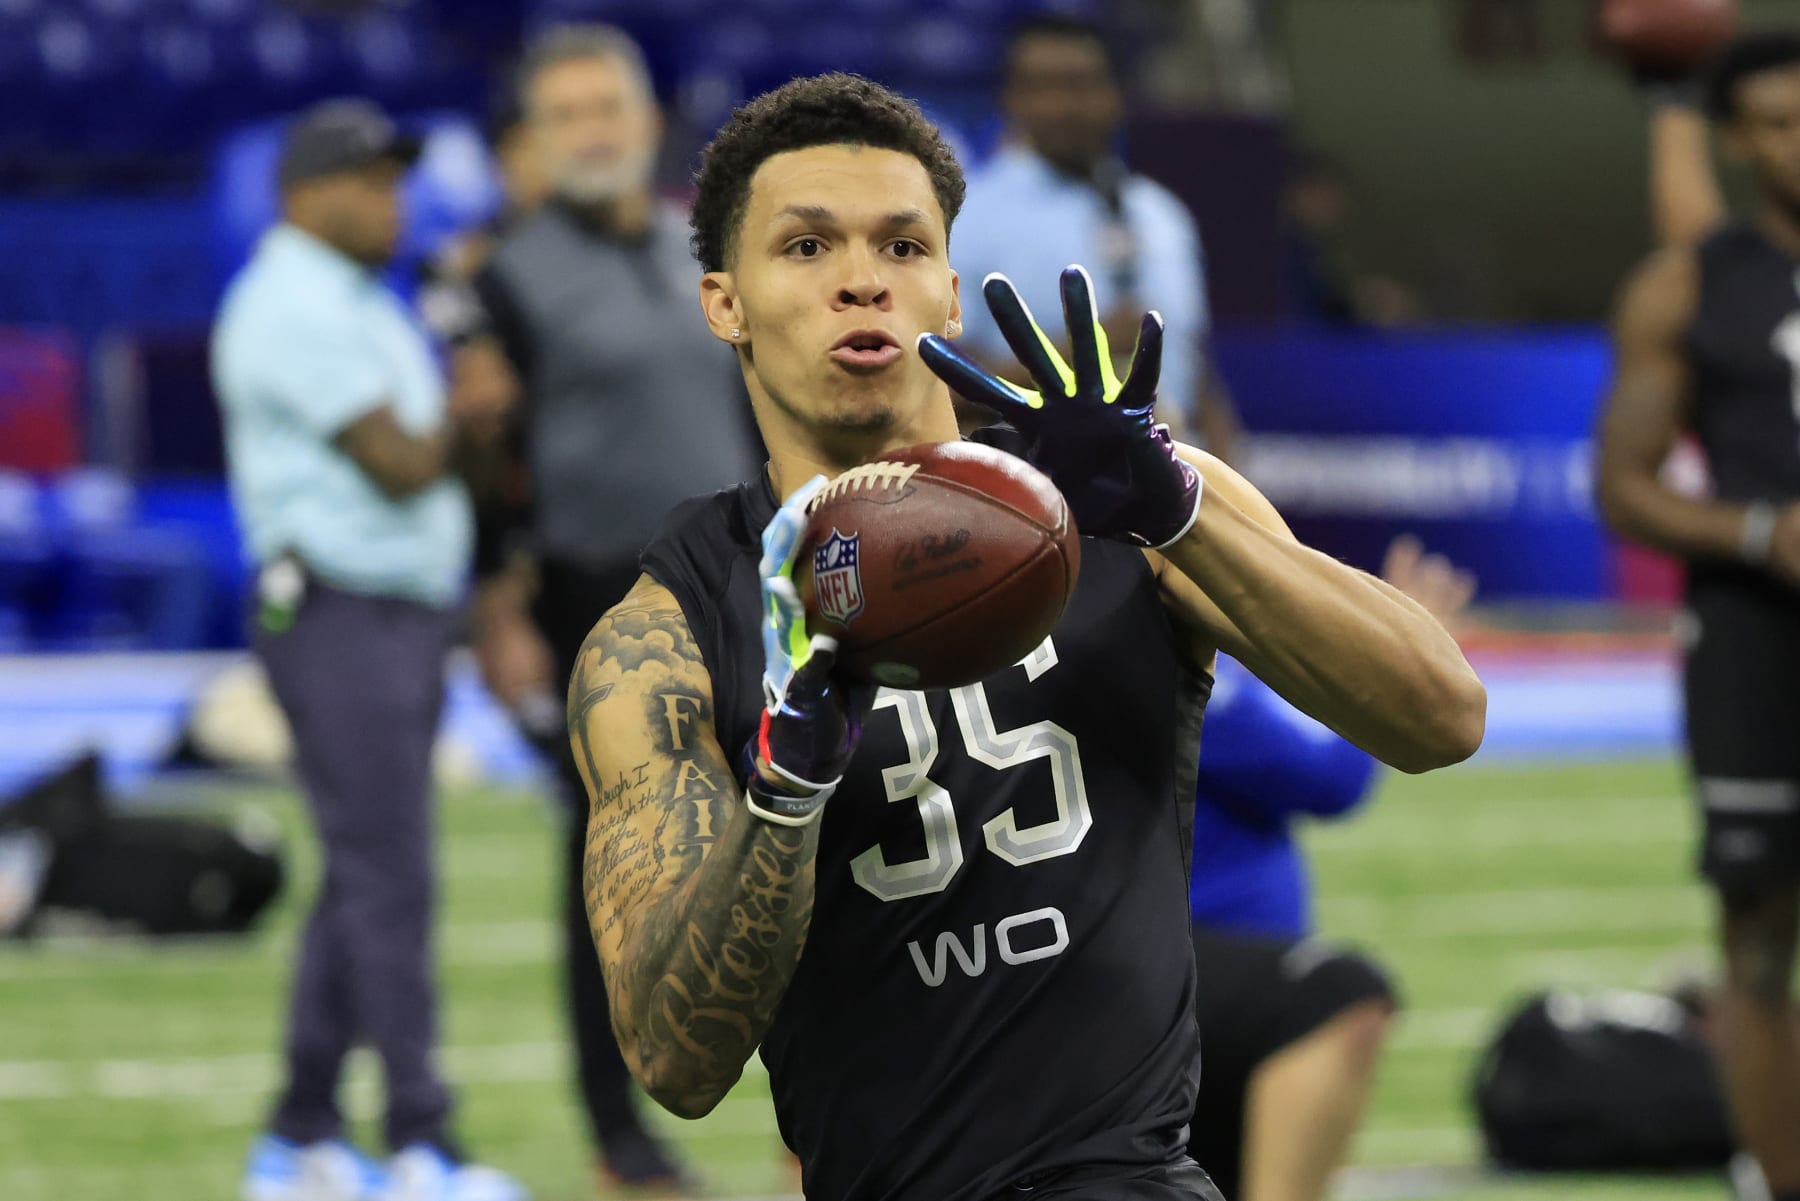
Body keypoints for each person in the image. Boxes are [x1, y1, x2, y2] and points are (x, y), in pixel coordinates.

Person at [565, 72, 1485, 1201]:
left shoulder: (1113, 491)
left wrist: (1179, 513)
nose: (862, 280)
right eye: (805, 249)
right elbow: (675, 1057)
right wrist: (787, 794)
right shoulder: (667, 627)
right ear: (724, 301)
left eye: (902, 248)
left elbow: (1441, 715)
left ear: (949, 291)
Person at [211, 99, 525, 1201]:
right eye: (370, 182)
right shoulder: (287, 302)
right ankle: (420, 1143)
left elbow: (451, 465)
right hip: (339, 608)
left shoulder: (363, 302)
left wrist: (476, 423)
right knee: (392, 879)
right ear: (303, 193)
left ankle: (296, 1135)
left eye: (398, 181)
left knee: (360, 879)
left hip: (393, 609)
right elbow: (398, 461)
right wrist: (467, 409)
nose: (393, 201)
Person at [465, 24, 758, 1191]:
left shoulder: (712, 244)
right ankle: (617, 1134)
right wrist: (497, 606)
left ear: (645, 122)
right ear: (533, 140)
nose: (593, 131)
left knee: (798, 832)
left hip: (745, 575)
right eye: (567, 114)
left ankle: (822, 1112)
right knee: (622, 869)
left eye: (609, 108)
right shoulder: (501, 274)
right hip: (602, 598)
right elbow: (486, 455)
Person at [1596, 33, 1800, 1201]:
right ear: (1734, 140)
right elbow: (1622, 482)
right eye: (1777, 123)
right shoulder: (1688, 282)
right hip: (1754, 641)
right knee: (1760, 940)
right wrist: (1762, 533)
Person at [1186, 537, 1474, 1201]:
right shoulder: (1159, 645)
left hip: (1189, 967)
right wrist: (1404, 654)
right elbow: (1331, 775)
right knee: (1340, 995)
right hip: (1201, 966)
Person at [951, 13, 1239, 460]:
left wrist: (1232, 481)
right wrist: (1080, 352)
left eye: (1082, 84)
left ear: (1115, 95)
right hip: (1040, 487)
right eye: (1046, 86)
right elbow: (943, 381)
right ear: (1012, 99)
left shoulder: (1162, 214)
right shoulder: (966, 213)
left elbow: (1196, 365)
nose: (1066, 105)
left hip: (1178, 486)